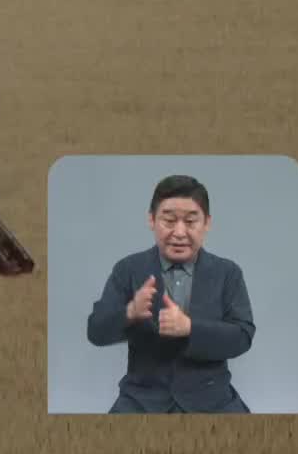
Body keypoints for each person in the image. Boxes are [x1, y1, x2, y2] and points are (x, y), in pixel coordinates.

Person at [86, 175, 255, 413]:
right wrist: (130, 312)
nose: (179, 232)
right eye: (169, 220)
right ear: (151, 220)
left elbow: (243, 336)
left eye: (190, 221)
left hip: (213, 398)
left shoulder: (228, 273)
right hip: (141, 399)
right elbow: (95, 331)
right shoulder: (128, 269)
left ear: (207, 223)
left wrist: (190, 328)